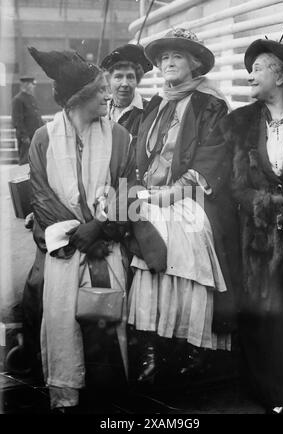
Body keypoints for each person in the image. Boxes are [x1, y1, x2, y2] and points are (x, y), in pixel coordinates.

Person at [127, 28, 240, 383]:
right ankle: (151, 345)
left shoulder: (211, 104)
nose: (168, 63)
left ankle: (191, 348)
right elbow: (138, 158)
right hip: (147, 195)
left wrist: (172, 194)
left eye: (177, 57)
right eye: (163, 58)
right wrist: (139, 193)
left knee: (186, 243)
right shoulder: (156, 104)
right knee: (139, 245)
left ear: (194, 64)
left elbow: (212, 158)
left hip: (193, 198)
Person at [27, 46, 135, 412]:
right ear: (78, 99)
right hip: (66, 252)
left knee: (107, 327)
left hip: (107, 249)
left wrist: (101, 228)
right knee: (64, 328)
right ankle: (67, 398)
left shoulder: (120, 137)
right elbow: (41, 199)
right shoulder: (43, 139)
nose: (109, 95)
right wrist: (82, 235)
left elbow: (128, 192)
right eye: (101, 89)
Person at [205, 37, 283, 413]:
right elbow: (233, 185)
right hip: (257, 239)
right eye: (249, 70)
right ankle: (270, 394)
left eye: (258, 68)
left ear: (280, 75)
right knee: (264, 316)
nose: (250, 76)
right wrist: (266, 208)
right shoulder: (239, 124)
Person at [101, 43, 152, 148]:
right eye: (118, 77)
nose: (124, 84)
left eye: (130, 77)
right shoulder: (99, 110)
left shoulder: (149, 112)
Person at [11, 76, 43, 165]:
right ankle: (24, 179)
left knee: (36, 162)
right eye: (32, 84)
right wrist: (24, 136)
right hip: (26, 137)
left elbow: (37, 117)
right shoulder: (18, 99)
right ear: (26, 85)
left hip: (35, 135)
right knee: (25, 161)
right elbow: (17, 120)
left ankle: (33, 179)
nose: (33, 87)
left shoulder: (31, 98)